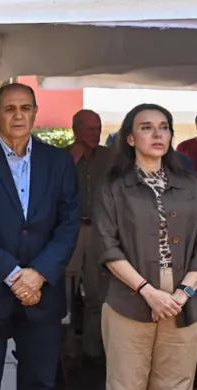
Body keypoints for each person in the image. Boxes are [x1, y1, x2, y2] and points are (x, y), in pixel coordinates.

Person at [0, 82, 81, 390]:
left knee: (39, 382)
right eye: (10, 109)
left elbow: (69, 222)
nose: (18, 116)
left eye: (25, 108)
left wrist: (38, 274)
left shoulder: (59, 161)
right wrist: (13, 275)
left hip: (43, 291)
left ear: (35, 112)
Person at [97, 103, 197, 390]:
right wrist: (149, 293)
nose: (157, 134)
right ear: (130, 138)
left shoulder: (192, 186)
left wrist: (182, 295)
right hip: (130, 299)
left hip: (182, 302)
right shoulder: (113, 187)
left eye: (164, 127)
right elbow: (108, 247)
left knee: (176, 384)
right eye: (146, 127)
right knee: (125, 383)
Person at [66, 109, 113, 364]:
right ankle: (65, 349)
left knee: (98, 293)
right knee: (65, 291)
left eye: (99, 128)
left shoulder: (110, 158)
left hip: (99, 230)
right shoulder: (61, 157)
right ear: (77, 130)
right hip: (70, 230)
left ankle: (93, 349)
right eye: (91, 129)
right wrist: (71, 161)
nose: (96, 134)